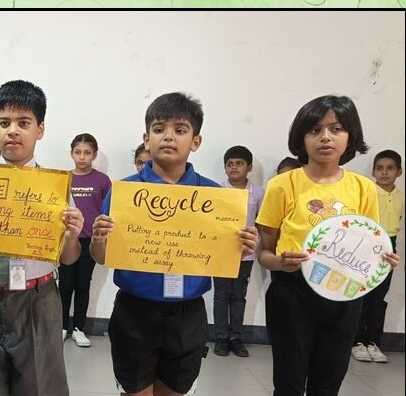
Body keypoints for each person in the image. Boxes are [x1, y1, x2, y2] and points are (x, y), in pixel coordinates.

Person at [90, 92, 258, 396]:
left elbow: (224, 255)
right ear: (146, 138)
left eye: (180, 130)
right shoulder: (125, 191)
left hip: (188, 313)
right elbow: (101, 257)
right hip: (135, 310)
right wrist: (99, 239)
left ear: (196, 141)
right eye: (159, 129)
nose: (168, 136)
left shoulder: (215, 196)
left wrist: (241, 246)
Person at [255, 95, 400, 395]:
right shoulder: (282, 185)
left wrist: (383, 260)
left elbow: (370, 245)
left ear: (350, 136)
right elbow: (264, 252)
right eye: (314, 130)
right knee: (288, 383)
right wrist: (279, 262)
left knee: (329, 382)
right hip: (291, 293)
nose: (325, 137)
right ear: (301, 137)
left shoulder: (363, 188)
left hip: (344, 294)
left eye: (336, 129)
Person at [0, 80, 85, 396]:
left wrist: (72, 235)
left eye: (23, 123)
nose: (12, 131)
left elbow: (69, 258)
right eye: (4, 123)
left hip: (37, 298)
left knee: (40, 386)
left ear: (40, 129)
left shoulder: (55, 189)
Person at [352, 149, 404, 363]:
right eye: (380, 168)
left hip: (390, 246)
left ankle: (374, 342)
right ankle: (357, 342)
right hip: (368, 245)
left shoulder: (401, 196)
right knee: (362, 295)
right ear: (373, 171)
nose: (384, 173)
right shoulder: (368, 192)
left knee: (379, 297)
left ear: (399, 172)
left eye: (390, 168)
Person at [212, 145, 264, 358]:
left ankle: (236, 337)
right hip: (221, 253)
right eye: (230, 164)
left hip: (246, 254)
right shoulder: (218, 191)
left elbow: (261, 222)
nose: (234, 167)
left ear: (248, 167)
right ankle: (220, 337)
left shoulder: (258, 192)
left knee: (238, 296)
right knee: (221, 295)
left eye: (239, 163)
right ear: (225, 168)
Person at [62, 133, 111, 348]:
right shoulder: (64, 178)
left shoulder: (102, 180)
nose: (82, 157)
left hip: (90, 242)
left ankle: (78, 329)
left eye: (87, 153)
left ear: (94, 155)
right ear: (71, 153)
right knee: (64, 285)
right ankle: (62, 326)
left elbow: (108, 210)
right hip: (67, 241)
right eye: (78, 152)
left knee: (83, 285)